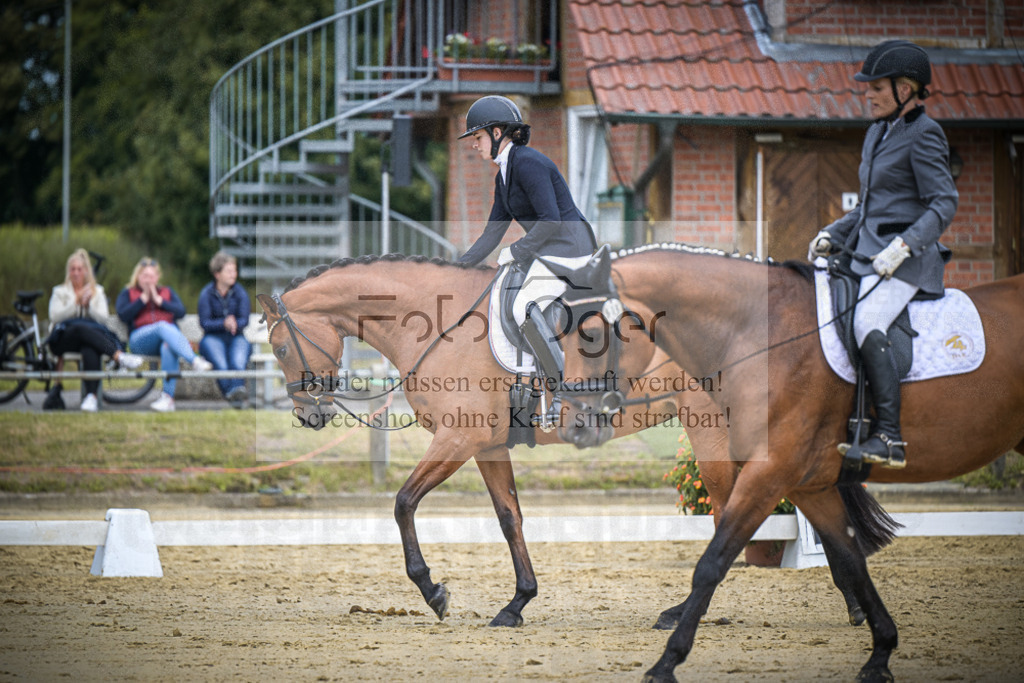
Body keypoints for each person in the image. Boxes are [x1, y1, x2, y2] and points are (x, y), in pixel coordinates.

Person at [808, 40, 958, 469]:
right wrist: (832, 233)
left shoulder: (926, 134)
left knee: (867, 321)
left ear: (906, 89)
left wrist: (905, 245)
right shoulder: (877, 132)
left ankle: (889, 436)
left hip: (908, 260)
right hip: (866, 253)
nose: (867, 94)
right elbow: (870, 206)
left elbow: (944, 202)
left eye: (876, 88)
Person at [457, 95, 597, 378]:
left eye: (478, 136)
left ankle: (561, 385)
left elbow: (551, 221)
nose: (474, 144)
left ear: (497, 133)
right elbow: (492, 233)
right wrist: (457, 268)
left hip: (571, 248)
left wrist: (516, 250)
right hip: (549, 250)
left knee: (524, 307)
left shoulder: (529, 163)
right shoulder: (504, 174)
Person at [45, 248, 144, 412]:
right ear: (68, 272)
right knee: (80, 328)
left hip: (88, 340)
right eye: (73, 269)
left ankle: (91, 397)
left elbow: (103, 319)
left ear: (86, 271)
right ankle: (119, 356)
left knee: (89, 347)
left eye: (80, 269)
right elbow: (55, 317)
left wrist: (89, 306)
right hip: (63, 339)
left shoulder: (97, 291)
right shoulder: (59, 291)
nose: (76, 273)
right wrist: (75, 303)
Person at [115, 257, 212, 412]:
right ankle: (194, 360)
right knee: (162, 326)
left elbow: (181, 312)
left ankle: (167, 399)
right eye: (144, 276)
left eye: (151, 276)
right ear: (138, 277)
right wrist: (142, 300)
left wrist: (160, 301)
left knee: (168, 347)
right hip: (139, 341)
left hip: (165, 341)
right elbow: (122, 315)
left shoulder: (166, 292)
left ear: (157, 277)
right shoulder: (128, 293)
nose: (148, 280)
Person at [198, 251, 252, 408]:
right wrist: (224, 323)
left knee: (238, 361)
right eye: (229, 271)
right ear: (217, 274)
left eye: (234, 270)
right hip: (212, 338)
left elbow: (244, 320)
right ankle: (235, 393)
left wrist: (235, 323)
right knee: (220, 363)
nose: (233, 274)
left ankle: (233, 394)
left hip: (236, 337)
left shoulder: (240, 292)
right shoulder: (206, 294)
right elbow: (205, 323)